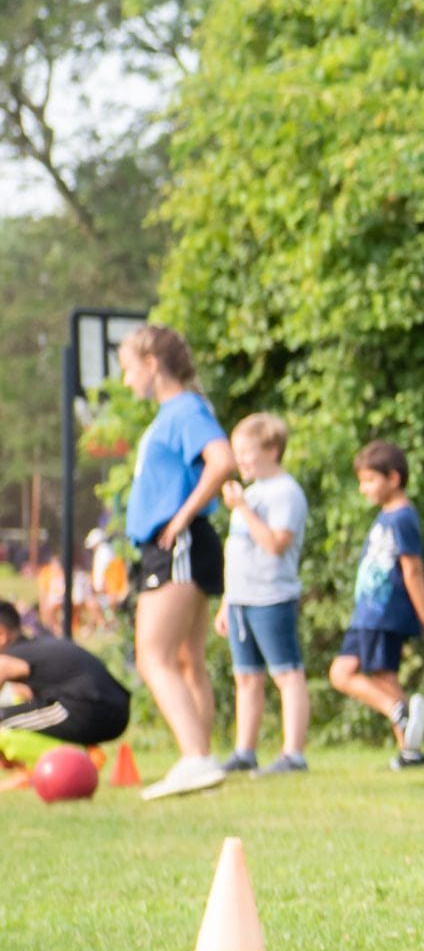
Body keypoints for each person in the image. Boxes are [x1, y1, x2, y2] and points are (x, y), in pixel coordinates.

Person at [117, 324, 235, 799]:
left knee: (153, 657)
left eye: (127, 370)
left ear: (151, 364)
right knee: (187, 660)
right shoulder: (176, 413)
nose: (126, 382)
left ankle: (195, 757)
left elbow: (222, 459)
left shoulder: (183, 409)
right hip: (183, 544)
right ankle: (200, 761)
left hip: (176, 545)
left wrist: (182, 516)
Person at [327, 439, 424, 769]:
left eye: (369, 480)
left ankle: (399, 715)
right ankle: (410, 749)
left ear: (393, 478)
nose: (363, 489)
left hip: (382, 611)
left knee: (346, 673)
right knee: (380, 676)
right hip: (369, 612)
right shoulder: (387, 516)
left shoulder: (402, 517)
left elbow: (413, 569)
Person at [215, 413, 311, 776]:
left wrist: (241, 508)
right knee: (246, 677)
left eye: (246, 452)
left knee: (287, 674)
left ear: (272, 449)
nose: (239, 461)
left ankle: (293, 754)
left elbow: (274, 544)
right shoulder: (252, 492)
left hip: (272, 598)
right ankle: (245, 751)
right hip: (242, 599)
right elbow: (238, 552)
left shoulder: (285, 492)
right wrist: (227, 601)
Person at [0, 599, 131, 768]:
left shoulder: (11, 656)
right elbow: (30, 701)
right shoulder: (37, 647)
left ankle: (72, 760)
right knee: (18, 713)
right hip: (114, 710)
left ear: (2, 634)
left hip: (89, 710)